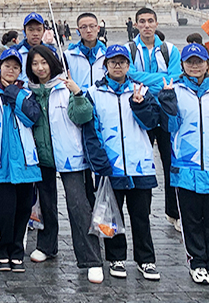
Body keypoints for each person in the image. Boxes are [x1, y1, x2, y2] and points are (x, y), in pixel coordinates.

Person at [158, 44, 209, 286]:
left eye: (199, 61)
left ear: (207, 63)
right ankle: (197, 262)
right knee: (191, 221)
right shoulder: (174, 90)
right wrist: (167, 103)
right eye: (190, 61)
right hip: (186, 166)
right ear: (182, 64)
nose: (195, 66)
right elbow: (170, 127)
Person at [25, 45, 104, 284]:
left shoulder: (65, 87)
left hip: (70, 155)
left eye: (44, 62)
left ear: (52, 63)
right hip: (42, 156)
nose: (40, 68)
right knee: (46, 204)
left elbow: (83, 116)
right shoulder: (29, 91)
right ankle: (47, 245)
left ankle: (91, 259)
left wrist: (77, 93)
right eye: (35, 64)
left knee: (78, 206)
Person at [84, 45, 162, 281]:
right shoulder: (94, 93)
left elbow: (152, 123)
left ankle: (145, 259)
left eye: (122, 62)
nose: (117, 66)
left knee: (141, 215)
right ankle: (115, 257)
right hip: (112, 164)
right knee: (112, 214)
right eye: (113, 62)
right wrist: (99, 162)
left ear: (129, 65)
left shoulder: (142, 90)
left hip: (139, 165)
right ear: (106, 65)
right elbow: (91, 130)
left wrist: (139, 105)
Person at [0, 47, 41, 273]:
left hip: (25, 161)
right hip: (1, 162)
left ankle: (17, 252)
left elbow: (32, 117)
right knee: (5, 210)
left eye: (15, 67)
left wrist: (14, 93)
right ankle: (3, 250)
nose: (11, 70)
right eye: (7, 66)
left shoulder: (27, 93)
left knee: (23, 209)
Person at [126, 7, 182, 230]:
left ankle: (174, 212)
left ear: (157, 24)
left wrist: (146, 81)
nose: (146, 25)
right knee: (142, 160)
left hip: (166, 109)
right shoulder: (130, 49)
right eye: (142, 21)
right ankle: (143, 211)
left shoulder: (170, 50)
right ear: (136, 25)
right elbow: (129, 74)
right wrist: (161, 79)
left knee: (171, 161)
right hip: (142, 110)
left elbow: (175, 77)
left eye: (150, 21)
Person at [64, 13, 107, 91]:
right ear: (78, 31)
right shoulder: (68, 55)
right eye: (84, 27)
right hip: (77, 97)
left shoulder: (107, 55)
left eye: (92, 26)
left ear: (98, 28)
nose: (88, 30)